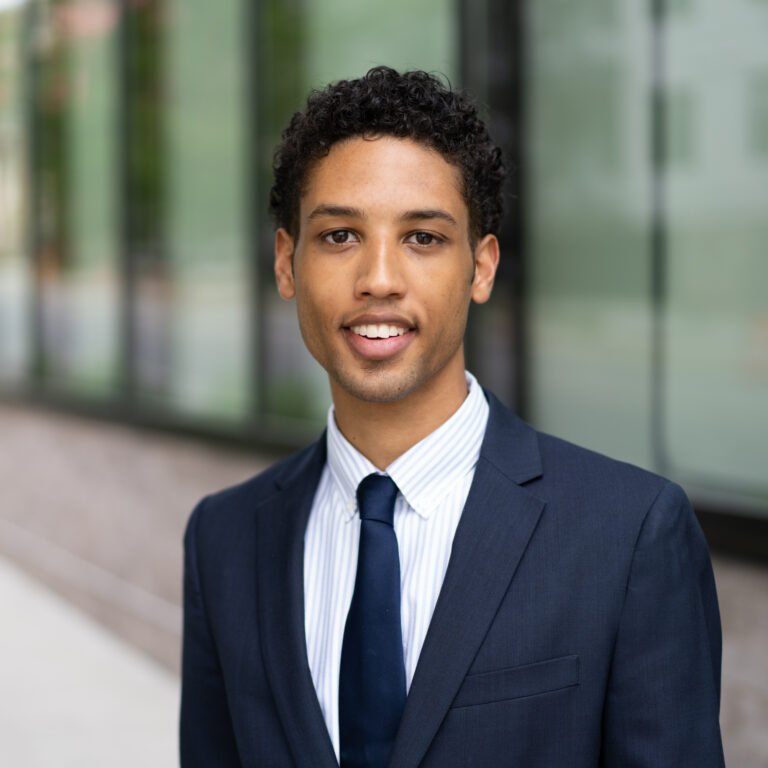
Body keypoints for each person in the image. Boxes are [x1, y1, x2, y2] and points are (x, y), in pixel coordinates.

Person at [180, 66, 724, 767]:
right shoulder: (223, 540)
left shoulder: (630, 535)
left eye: (424, 238)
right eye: (340, 235)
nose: (379, 277)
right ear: (287, 263)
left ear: (482, 267)